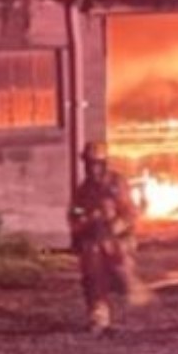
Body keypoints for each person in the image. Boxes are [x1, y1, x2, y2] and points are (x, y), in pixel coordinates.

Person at [67, 141, 148, 333]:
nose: (92, 168)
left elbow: (130, 213)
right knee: (93, 272)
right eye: (88, 164)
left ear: (103, 164)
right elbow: (74, 213)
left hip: (120, 240)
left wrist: (114, 226)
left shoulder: (116, 184)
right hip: (95, 241)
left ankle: (126, 283)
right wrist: (83, 221)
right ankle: (99, 315)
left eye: (95, 164)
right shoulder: (83, 190)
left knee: (120, 275)